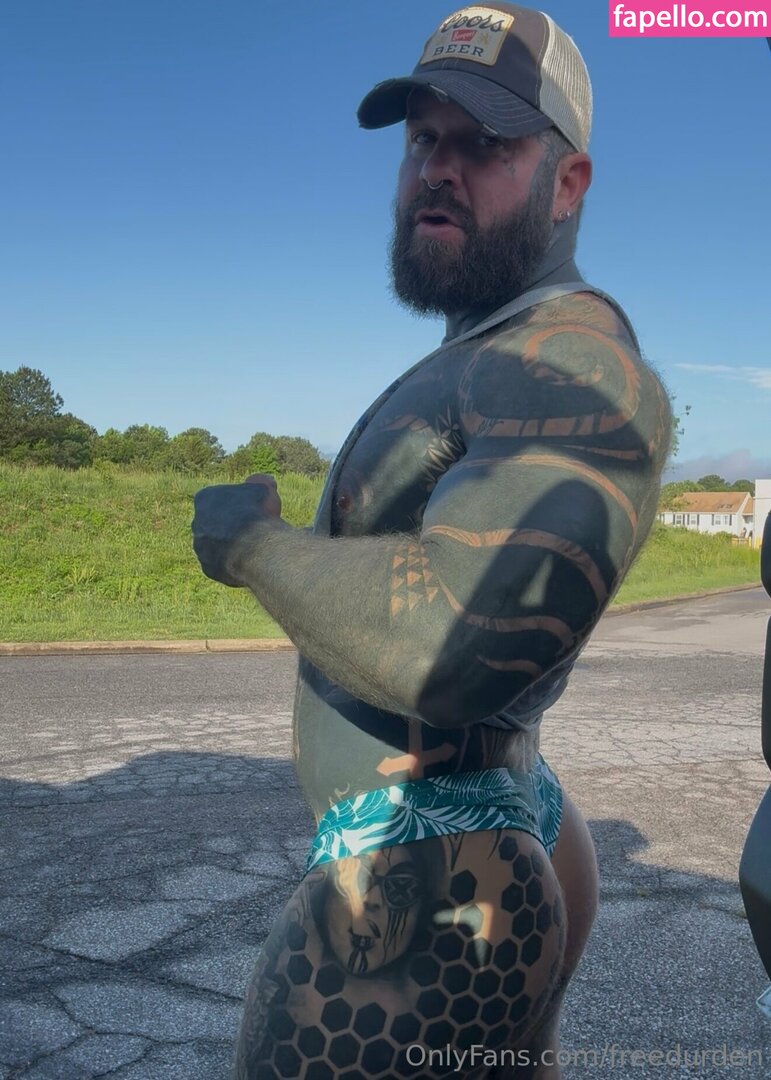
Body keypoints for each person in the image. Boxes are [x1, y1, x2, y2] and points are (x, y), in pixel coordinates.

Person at [192, 4, 672, 1077]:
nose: (437, 170)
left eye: (486, 143)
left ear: (567, 182)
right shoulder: (491, 348)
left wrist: (251, 546)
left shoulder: (568, 361)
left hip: (434, 891)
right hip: (480, 838)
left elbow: (458, 641)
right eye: (422, 140)